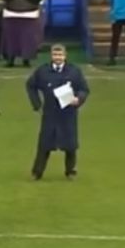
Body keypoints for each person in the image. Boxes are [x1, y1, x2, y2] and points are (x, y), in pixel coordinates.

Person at [25, 44, 91, 181]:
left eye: (60, 55)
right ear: (51, 56)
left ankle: (70, 171)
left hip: (68, 113)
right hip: (50, 112)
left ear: (65, 56)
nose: (58, 58)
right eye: (55, 55)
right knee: (44, 144)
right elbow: (30, 85)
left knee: (70, 144)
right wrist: (37, 104)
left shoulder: (74, 71)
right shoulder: (43, 71)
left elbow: (84, 89)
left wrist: (78, 99)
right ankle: (37, 172)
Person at [0, 0, 44, 67]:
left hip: (28, 16)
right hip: (11, 15)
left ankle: (26, 59)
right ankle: (10, 59)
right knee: (11, 39)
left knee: (27, 39)